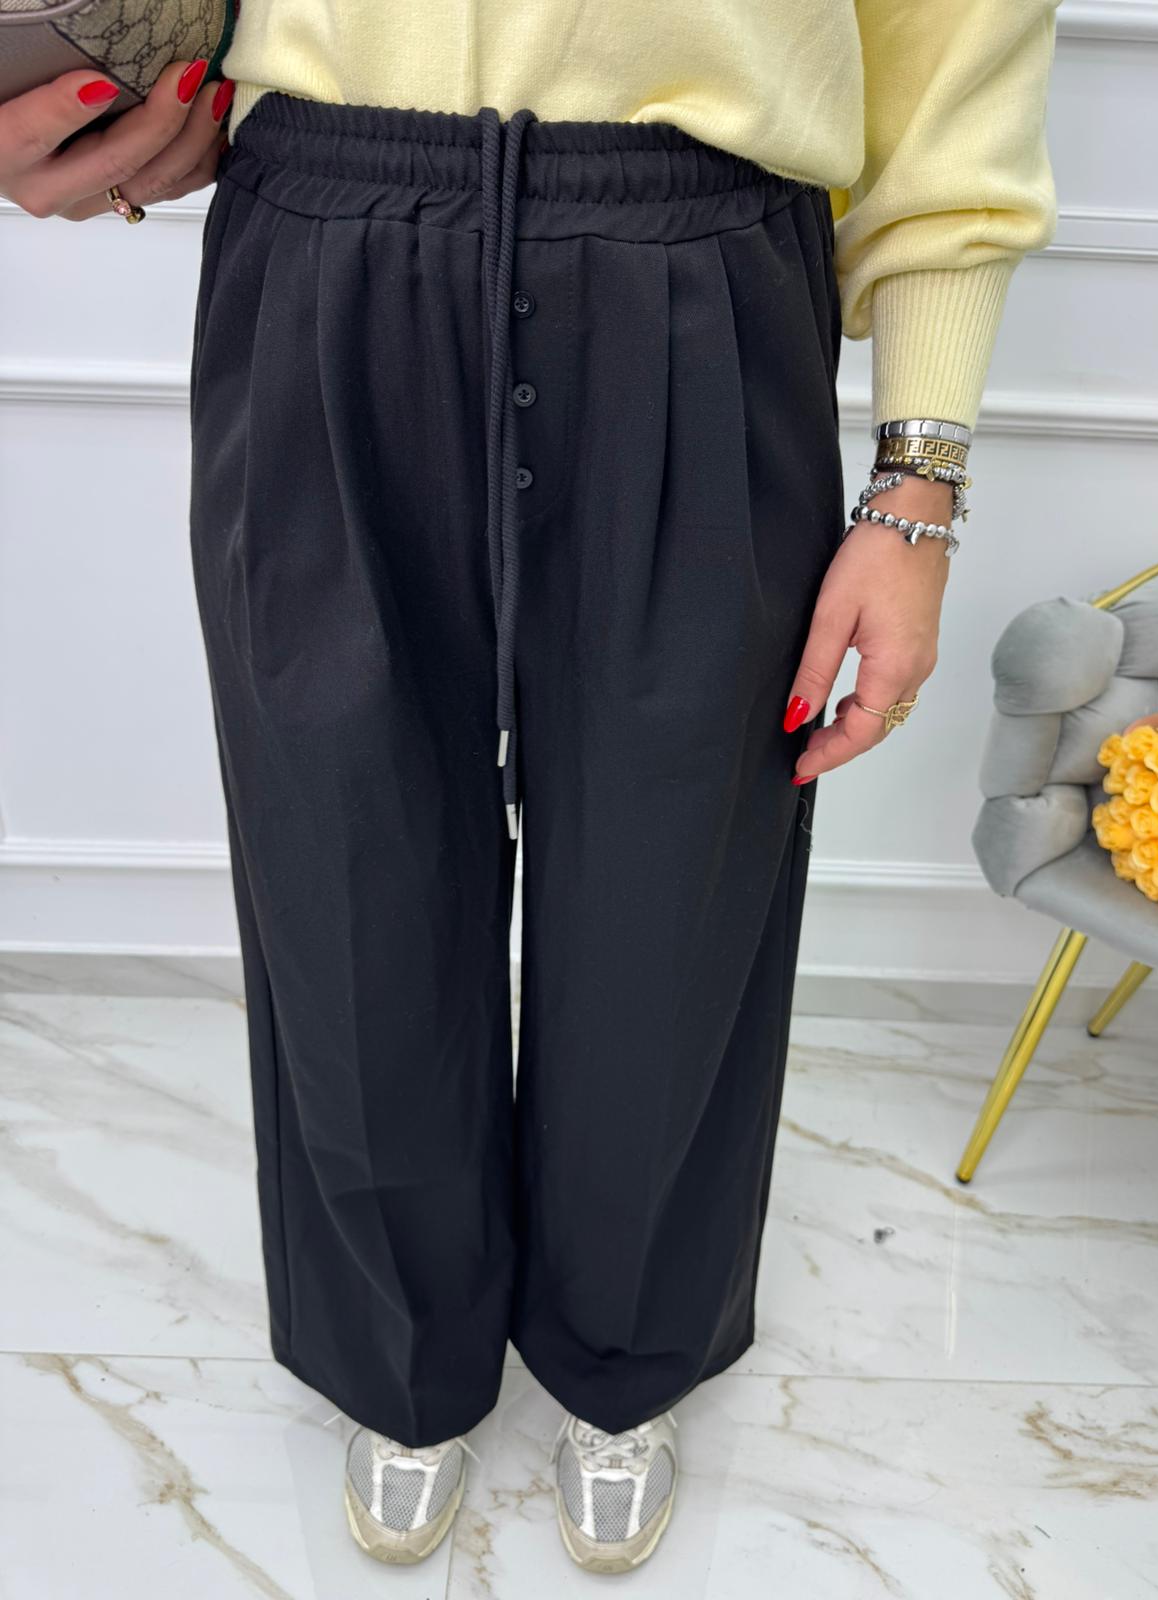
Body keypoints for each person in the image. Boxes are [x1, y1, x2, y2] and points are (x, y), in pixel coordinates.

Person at [0, 0, 1063, 1574]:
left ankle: (627, 1353)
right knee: (342, 864)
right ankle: (400, 1354)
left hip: (701, 254)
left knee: (673, 892)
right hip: (328, 235)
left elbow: (959, 48)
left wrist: (919, 490)